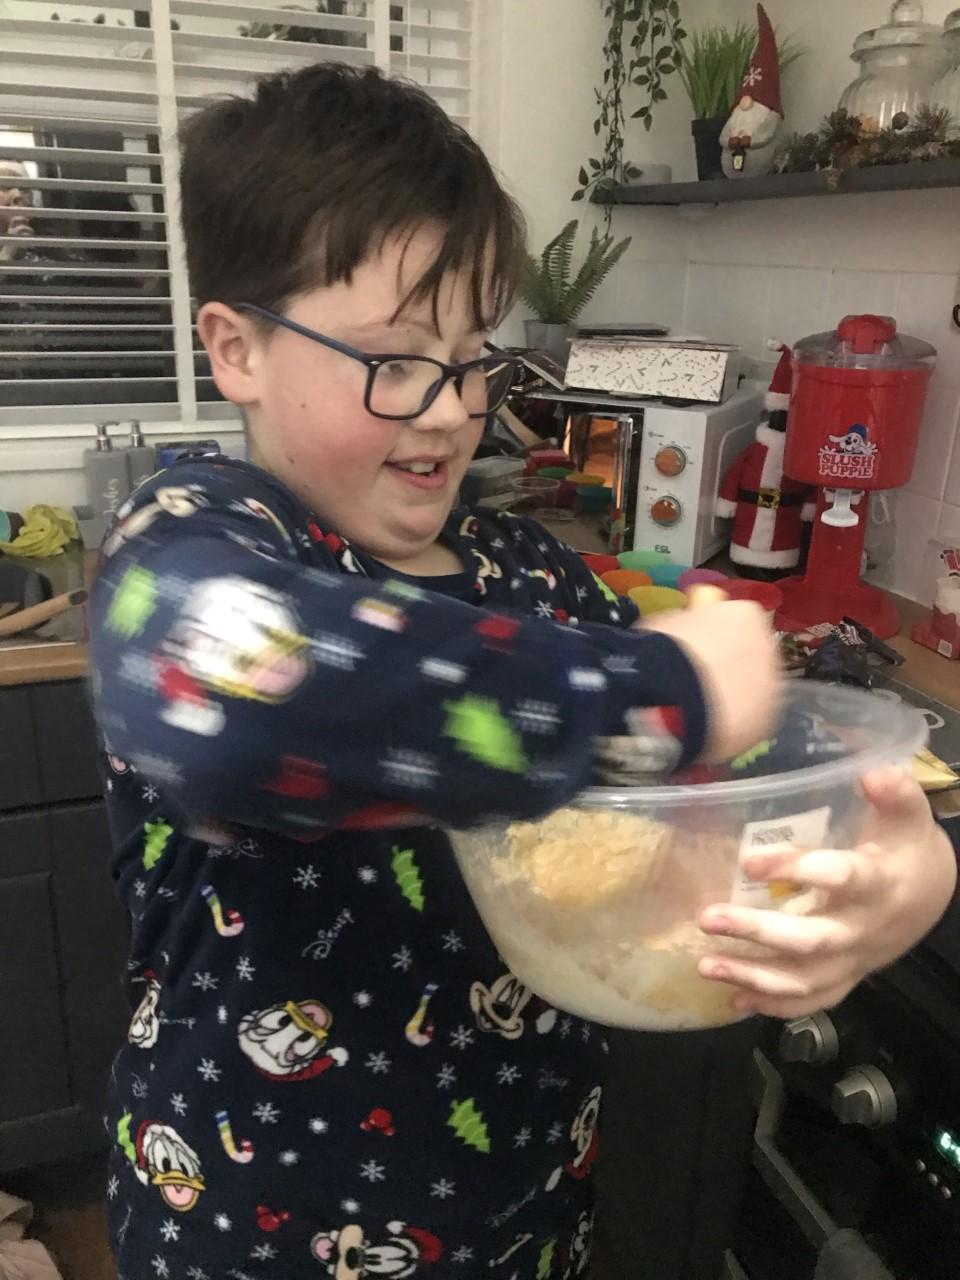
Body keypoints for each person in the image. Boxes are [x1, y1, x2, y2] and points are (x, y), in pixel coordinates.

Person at [88, 63, 957, 1279]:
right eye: (396, 361)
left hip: (519, 1218)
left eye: (471, 358)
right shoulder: (192, 543)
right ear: (237, 348)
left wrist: (906, 866)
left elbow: (741, 777)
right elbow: (238, 690)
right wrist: (669, 688)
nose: (453, 411)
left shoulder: (529, 576)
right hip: (242, 1234)